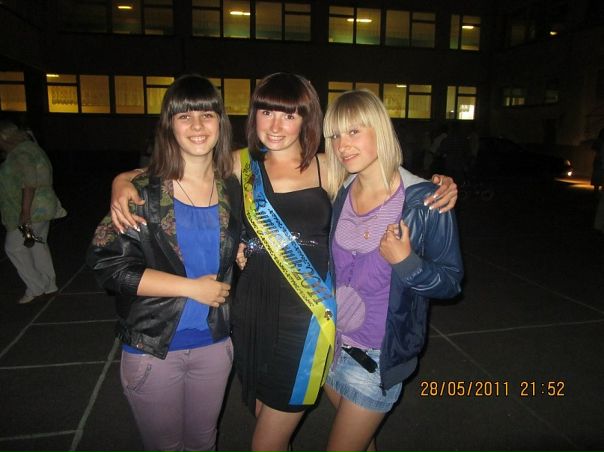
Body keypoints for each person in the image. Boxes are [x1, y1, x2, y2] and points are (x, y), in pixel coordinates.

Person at [107, 73, 459, 452]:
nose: (276, 126)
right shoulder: (239, 163)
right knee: (269, 415)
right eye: (267, 112)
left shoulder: (329, 166)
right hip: (252, 313)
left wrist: (439, 186)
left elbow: (386, 177)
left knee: (268, 438)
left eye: (289, 115)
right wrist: (122, 180)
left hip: (306, 318)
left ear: (306, 120)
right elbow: (177, 169)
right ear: (254, 115)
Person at [86, 74, 242, 452]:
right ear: (169, 125)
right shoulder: (142, 193)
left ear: (220, 122)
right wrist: (191, 288)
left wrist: (241, 250)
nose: (197, 125)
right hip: (153, 347)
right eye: (184, 116)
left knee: (204, 443)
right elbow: (107, 265)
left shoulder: (234, 188)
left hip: (215, 344)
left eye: (207, 114)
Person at [322, 90, 463, 452]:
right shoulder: (340, 191)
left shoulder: (424, 200)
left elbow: (451, 282)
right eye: (335, 135)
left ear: (380, 130)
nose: (342, 145)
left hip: (376, 360)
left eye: (354, 131)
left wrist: (408, 263)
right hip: (331, 347)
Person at [0, 119, 66, 304]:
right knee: (37, 244)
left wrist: (25, 212)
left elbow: (29, 183)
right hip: (42, 207)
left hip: (33, 209)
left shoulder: (21, 153)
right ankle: (49, 285)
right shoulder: (30, 148)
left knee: (13, 247)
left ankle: (36, 287)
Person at [591, 128, 604, 196]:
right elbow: (594, 147)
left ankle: (598, 192)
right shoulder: (599, 141)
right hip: (599, 160)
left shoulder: (598, 141)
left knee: (599, 176)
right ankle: (596, 192)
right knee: (597, 176)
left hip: (599, 160)